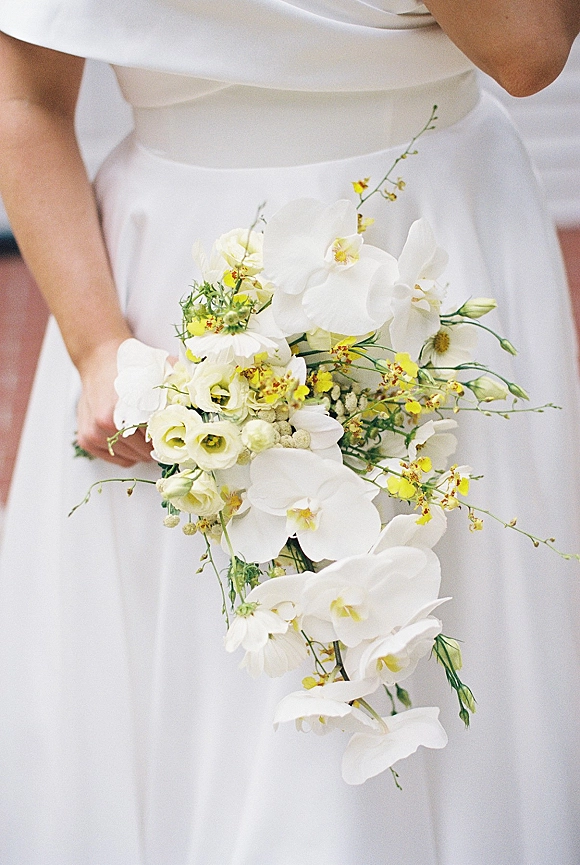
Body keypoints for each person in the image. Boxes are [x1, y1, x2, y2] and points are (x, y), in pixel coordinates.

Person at [0, 2, 579, 863]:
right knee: (218, 668)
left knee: (459, 622)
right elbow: (26, 98)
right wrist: (95, 345)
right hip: (176, 277)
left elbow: (528, 52)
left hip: (426, 235)